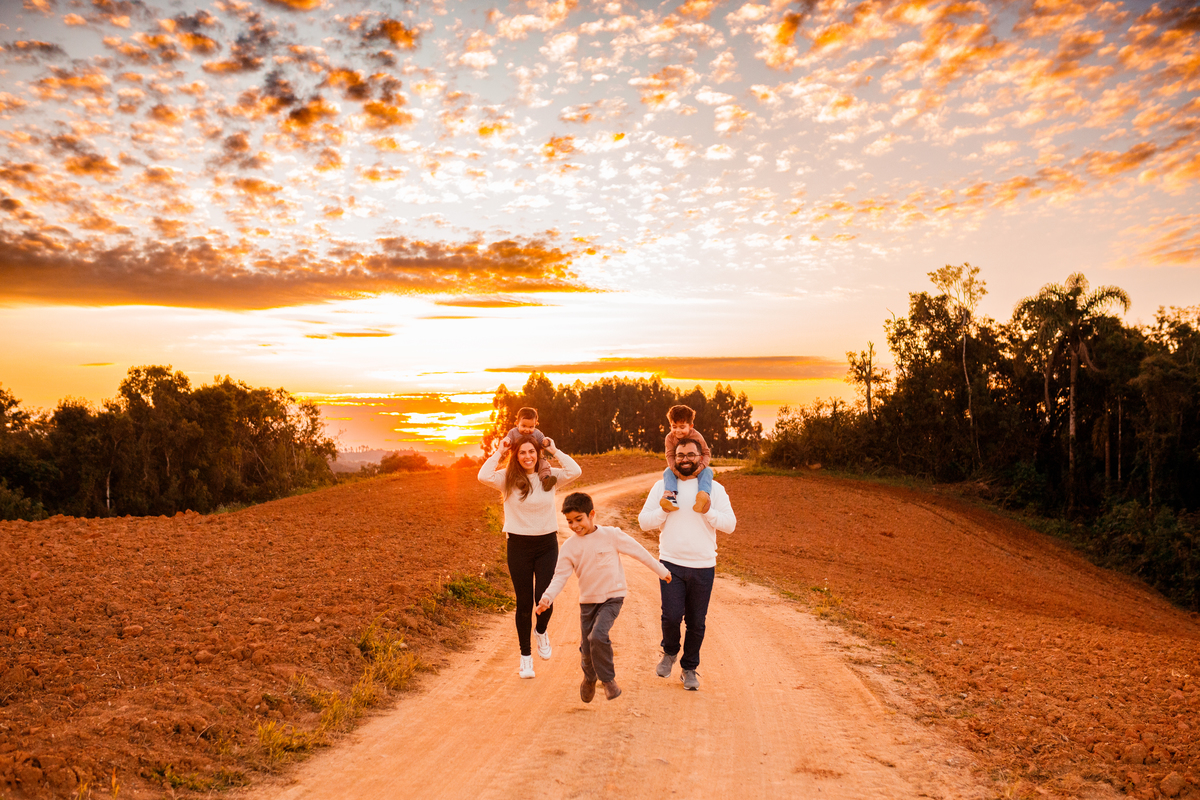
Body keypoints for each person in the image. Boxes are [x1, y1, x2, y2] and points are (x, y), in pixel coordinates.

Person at [535, 492, 672, 702]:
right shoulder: (570, 547)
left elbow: (638, 551)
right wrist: (547, 598)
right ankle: (589, 678)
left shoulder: (611, 535)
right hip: (588, 602)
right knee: (587, 648)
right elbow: (559, 576)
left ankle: (608, 681)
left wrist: (661, 571)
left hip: (612, 597)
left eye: (579, 519)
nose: (574, 526)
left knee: (598, 636)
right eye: (569, 521)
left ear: (592, 514)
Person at [478, 434, 581, 678]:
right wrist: (501, 451)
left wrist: (554, 450)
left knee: (545, 598)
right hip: (518, 546)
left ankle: (541, 631)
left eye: (531, 452)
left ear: (538, 454)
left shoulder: (549, 477)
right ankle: (526, 658)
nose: (527, 456)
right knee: (524, 604)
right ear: (516, 455)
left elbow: (575, 470)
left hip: (547, 544)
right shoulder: (507, 478)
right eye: (522, 452)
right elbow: (483, 476)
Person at [638, 439, 736, 691]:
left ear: (701, 456)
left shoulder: (714, 488)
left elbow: (730, 524)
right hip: (670, 563)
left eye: (690, 454)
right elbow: (643, 521)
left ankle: (689, 668)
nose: (685, 459)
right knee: (670, 616)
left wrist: (708, 512)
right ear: (674, 457)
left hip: (704, 565)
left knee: (697, 622)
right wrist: (663, 511)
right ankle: (670, 652)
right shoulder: (662, 486)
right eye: (680, 454)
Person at [660, 404, 714, 514]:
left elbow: (706, 453)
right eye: (674, 427)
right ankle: (671, 497)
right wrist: (677, 473)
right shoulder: (669, 438)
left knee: (708, 471)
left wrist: (700, 468)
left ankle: (703, 496)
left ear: (691, 426)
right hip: (679, 467)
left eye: (682, 427)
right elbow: (670, 456)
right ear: (670, 426)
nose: (678, 431)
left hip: (695, 467)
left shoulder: (697, 437)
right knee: (667, 472)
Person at [501, 407, 557, 491]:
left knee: (544, 465)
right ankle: (520, 482)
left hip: (536, 458)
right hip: (516, 459)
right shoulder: (513, 432)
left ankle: (546, 480)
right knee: (512, 468)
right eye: (523, 426)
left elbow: (543, 440)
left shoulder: (537, 433)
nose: (527, 430)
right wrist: (507, 443)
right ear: (517, 423)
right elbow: (508, 440)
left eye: (531, 427)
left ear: (536, 424)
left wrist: (546, 442)